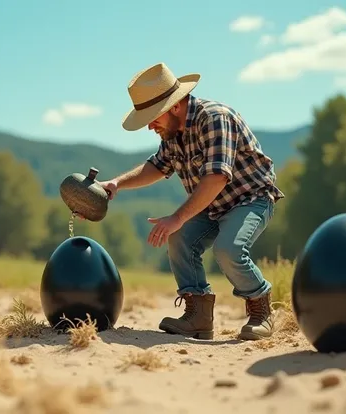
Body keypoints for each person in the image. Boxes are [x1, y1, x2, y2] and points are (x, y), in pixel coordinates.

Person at [98, 62, 284, 341]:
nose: (150, 125)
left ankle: (262, 311)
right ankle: (198, 317)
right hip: (211, 206)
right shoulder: (173, 133)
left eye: (153, 117)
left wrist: (177, 217)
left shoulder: (215, 118)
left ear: (174, 106)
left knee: (229, 248)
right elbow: (157, 167)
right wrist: (117, 183)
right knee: (179, 238)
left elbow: (217, 178)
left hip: (250, 199)